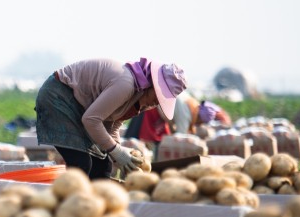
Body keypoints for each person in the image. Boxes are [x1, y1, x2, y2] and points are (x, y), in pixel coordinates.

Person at [35, 57, 187, 179]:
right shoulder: (126, 84)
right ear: (153, 85)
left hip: (80, 107)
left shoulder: (141, 97)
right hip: (59, 96)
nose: (158, 103)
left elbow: (112, 126)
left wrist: (120, 157)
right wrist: (117, 151)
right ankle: (71, 208)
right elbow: (91, 120)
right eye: (159, 96)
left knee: (103, 165)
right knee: (81, 164)